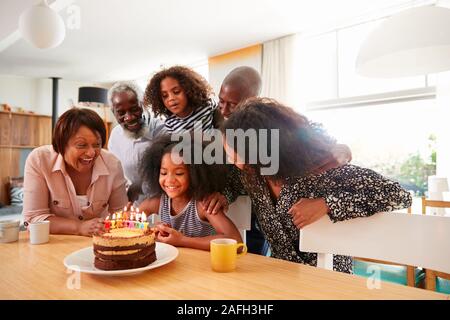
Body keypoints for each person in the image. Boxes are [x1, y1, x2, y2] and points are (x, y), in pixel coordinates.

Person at [221, 98, 412, 273]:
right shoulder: (251, 175)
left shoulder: (322, 167)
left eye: (238, 156)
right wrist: (223, 196)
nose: (235, 163)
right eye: (231, 156)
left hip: (330, 279)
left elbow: (398, 194)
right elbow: (231, 186)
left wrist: (327, 204)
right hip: (280, 275)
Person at [23, 108, 128, 236]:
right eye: (81, 145)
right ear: (61, 145)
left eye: (97, 144)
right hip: (52, 245)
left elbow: (121, 215)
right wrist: (79, 227)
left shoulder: (112, 165)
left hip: (98, 246)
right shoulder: (39, 160)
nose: (91, 153)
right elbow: (33, 219)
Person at [138, 134, 242, 251]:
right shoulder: (158, 202)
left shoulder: (203, 205)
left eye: (179, 173)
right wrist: (153, 231)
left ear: (194, 175)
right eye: (163, 173)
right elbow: (133, 222)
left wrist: (182, 240)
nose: (170, 180)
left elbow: (236, 241)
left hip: (200, 266)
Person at [107, 81, 165, 204]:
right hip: (133, 204)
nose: (129, 117)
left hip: (164, 203)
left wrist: (139, 188)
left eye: (134, 109)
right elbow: (115, 172)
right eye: (121, 113)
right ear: (114, 113)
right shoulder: (115, 135)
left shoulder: (162, 131)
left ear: (143, 105)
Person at [144, 65, 222, 133]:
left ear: (188, 90)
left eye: (176, 92)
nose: (171, 98)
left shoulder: (206, 106)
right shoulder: (170, 124)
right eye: (165, 96)